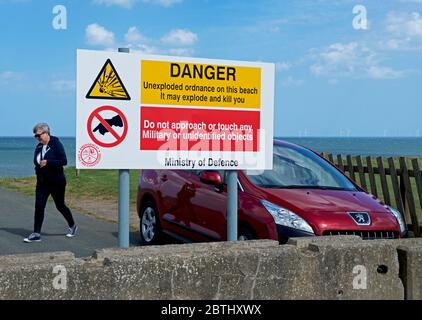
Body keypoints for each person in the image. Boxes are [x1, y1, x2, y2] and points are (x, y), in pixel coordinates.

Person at [23, 123, 78, 243]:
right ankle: (36, 233)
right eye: (35, 136)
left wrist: (48, 162)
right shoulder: (38, 147)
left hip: (56, 182)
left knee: (60, 205)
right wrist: (38, 172)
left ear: (46, 133)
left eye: (38, 135)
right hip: (42, 183)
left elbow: (64, 161)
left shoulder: (56, 144)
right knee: (39, 206)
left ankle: (72, 226)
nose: (37, 138)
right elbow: (37, 163)